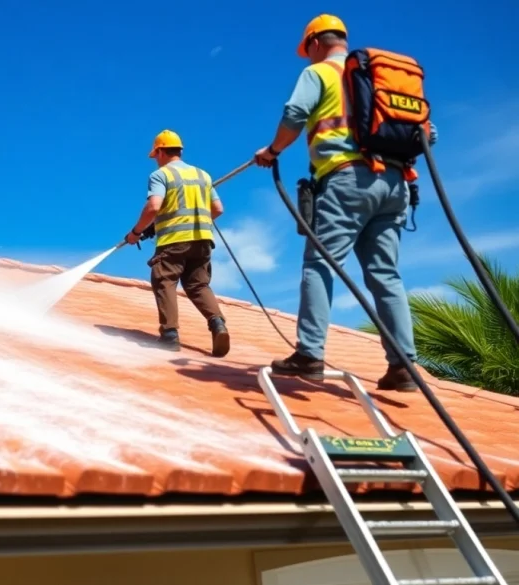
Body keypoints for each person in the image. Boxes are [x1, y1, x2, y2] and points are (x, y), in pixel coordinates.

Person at [252, 14, 437, 391]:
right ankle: (404, 366)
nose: (307, 56)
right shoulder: (376, 76)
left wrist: (273, 150)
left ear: (316, 43)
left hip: (347, 179)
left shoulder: (319, 73)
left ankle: (309, 354)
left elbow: (295, 114)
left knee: (320, 262)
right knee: (385, 275)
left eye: (307, 50)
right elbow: (428, 134)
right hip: (397, 184)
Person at [125, 129, 230, 357]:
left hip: (174, 241)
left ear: (161, 152)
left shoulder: (161, 175)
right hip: (203, 240)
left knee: (164, 280)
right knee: (197, 285)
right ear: (180, 151)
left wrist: (136, 232)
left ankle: (169, 335)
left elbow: (154, 206)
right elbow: (218, 209)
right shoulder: (203, 175)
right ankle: (218, 324)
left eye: (156, 156)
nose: (156, 161)